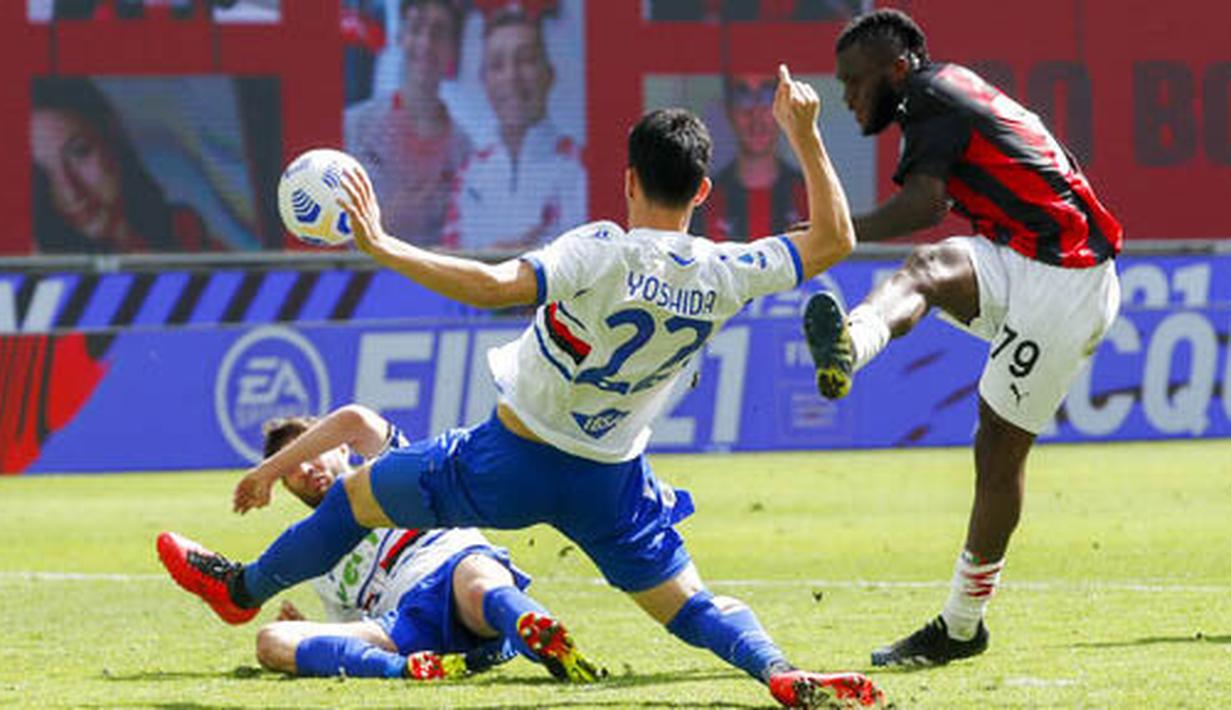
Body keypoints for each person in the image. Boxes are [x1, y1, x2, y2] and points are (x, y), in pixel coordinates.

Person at [159, 65, 885, 708]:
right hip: (610, 485)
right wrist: (802, 132)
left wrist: (382, 244)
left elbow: (490, 286)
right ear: (702, 187)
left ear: (628, 179)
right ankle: (778, 670)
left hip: (509, 462)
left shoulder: (599, 248)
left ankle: (243, 589)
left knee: (356, 497)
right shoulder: (726, 270)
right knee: (689, 605)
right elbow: (833, 240)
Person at [803, 9, 1122, 667]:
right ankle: (850, 348)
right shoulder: (947, 91)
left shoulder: (928, 95)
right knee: (926, 269)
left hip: (1069, 280)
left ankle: (959, 624)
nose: (848, 97)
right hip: (1021, 255)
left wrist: (831, 235)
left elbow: (922, 205)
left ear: (897, 69)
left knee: (996, 449)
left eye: (855, 83)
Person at [160, 404, 603, 682]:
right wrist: (311, 626)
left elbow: (354, 419)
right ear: (291, 490)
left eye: (312, 453)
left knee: (478, 582)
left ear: (341, 450)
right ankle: (414, 670)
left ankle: (542, 634)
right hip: (408, 626)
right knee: (272, 641)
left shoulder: (386, 466)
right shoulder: (312, 562)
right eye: (296, 469)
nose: (307, 468)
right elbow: (356, 633)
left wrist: (270, 469)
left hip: (451, 569)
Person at [442, 7, 586, 252]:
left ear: (548, 74)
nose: (512, 77)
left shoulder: (584, 168)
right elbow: (450, 270)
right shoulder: (469, 174)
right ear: (484, 81)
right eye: (497, 65)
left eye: (526, 60)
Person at [31, 78, 214, 254]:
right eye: (41, 173)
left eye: (80, 152)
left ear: (111, 136)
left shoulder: (185, 228)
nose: (71, 193)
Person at [345, 0, 470, 248]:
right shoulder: (353, 128)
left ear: (453, 49)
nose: (425, 43)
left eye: (439, 32)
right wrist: (386, 224)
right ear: (401, 37)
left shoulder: (465, 152)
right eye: (416, 28)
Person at [691, 72, 807, 242]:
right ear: (729, 111)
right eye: (743, 98)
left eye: (767, 98)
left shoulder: (809, 196)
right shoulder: (704, 200)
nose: (756, 116)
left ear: (783, 109)